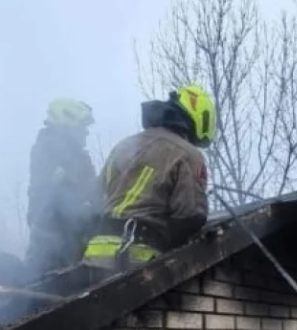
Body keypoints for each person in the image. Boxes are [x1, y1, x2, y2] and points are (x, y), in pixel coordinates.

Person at [81, 84, 215, 276]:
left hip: (95, 254)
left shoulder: (123, 146)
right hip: (137, 257)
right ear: (200, 119)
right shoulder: (188, 153)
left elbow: (94, 198)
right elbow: (191, 214)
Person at [26, 98, 100, 276]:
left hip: (66, 245)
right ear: (68, 122)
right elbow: (55, 203)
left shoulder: (72, 154)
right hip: (56, 250)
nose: (86, 133)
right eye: (82, 126)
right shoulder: (54, 151)